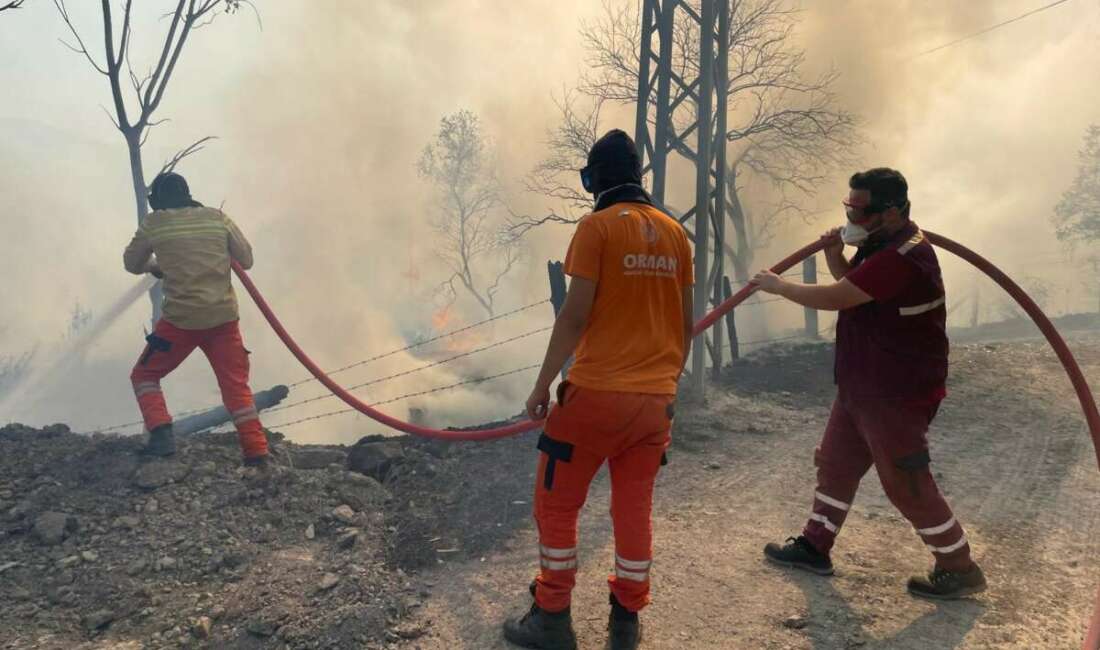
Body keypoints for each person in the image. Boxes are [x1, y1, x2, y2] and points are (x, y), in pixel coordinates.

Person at [753, 167, 986, 600]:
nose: (853, 216)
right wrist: (833, 255)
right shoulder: (881, 245)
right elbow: (853, 286)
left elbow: (838, 298)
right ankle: (815, 545)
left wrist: (779, 287)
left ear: (892, 212)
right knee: (835, 465)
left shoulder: (902, 257)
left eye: (861, 210)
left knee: (906, 485)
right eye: (850, 207)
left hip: (897, 393)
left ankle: (959, 567)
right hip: (862, 386)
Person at [501, 129, 694, 650]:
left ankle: (552, 617)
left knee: (557, 505)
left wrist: (542, 386)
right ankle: (626, 623)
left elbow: (574, 315)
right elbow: (685, 323)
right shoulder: (676, 233)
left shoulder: (596, 228)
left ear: (595, 179)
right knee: (633, 511)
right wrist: (666, 387)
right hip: (654, 406)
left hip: (594, 399)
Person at [123, 172, 270, 468]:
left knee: (144, 375)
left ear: (158, 201)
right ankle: (256, 454)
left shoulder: (155, 223)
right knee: (236, 388)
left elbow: (131, 263)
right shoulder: (217, 218)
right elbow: (247, 259)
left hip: (180, 324)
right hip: (223, 321)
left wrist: (156, 265)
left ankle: (161, 435)